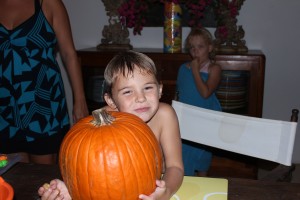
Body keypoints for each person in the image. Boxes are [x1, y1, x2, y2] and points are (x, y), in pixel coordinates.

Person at [38, 50, 184, 200]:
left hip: (153, 187)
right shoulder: (102, 120)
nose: (140, 98)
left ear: (159, 90)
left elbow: (175, 167)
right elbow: (88, 167)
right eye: (128, 92)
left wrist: (166, 191)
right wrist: (72, 191)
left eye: (147, 88)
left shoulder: (165, 115)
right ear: (112, 101)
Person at [0, 0, 89, 164]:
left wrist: (80, 100)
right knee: (12, 175)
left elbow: (69, 55)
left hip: (42, 104)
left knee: (43, 177)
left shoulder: (49, 3)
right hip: (5, 109)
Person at [176, 28, 222, 176]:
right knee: (185, 153)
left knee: (203, 156)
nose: (195, 51)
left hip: (205, 119)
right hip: (187, 120)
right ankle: (186, 184)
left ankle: (203, 185)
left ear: (210, 47)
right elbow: (179, 93)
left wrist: (195, 71)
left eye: (200, 47)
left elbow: (205, 93)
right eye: (192, 47)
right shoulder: (183, 68)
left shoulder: (214, 69)